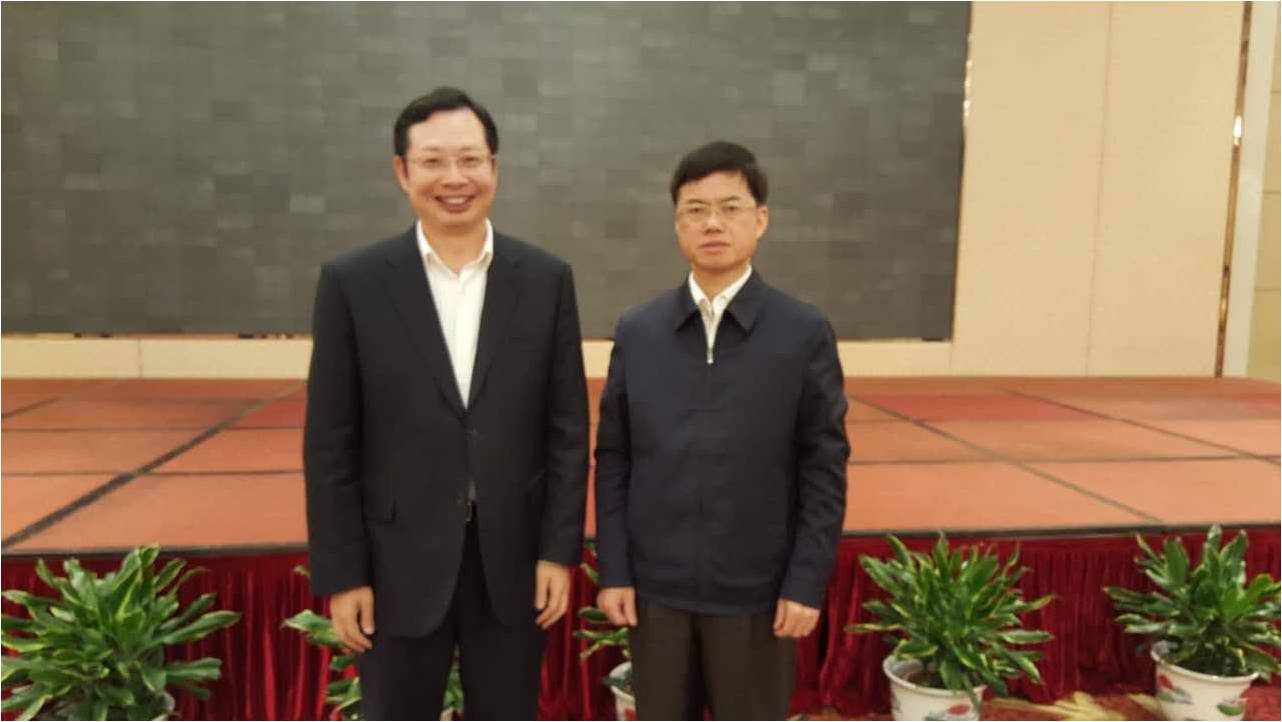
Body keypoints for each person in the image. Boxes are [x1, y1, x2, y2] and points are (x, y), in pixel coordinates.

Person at [303, 86, 589, 720]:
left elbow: (567, 429)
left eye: (469, 159)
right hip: (395, 564)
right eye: (432, 161)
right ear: (402, 171)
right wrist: (344, 574)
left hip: (513, 563)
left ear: (495, 167)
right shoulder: (353, 283)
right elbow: (330, 443)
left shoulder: (546, 280)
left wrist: (557, 552)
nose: (454, 178)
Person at [593, 141, 850, 720]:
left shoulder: (802, 332)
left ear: (761, 219)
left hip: (757, 595)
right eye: (695, 209)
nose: (713, 223)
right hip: (656, 594)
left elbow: (823, 468)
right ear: (677, 224)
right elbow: (613, 458)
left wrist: (805, 580)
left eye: (730, 208)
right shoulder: (639, 332)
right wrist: (615, 569)